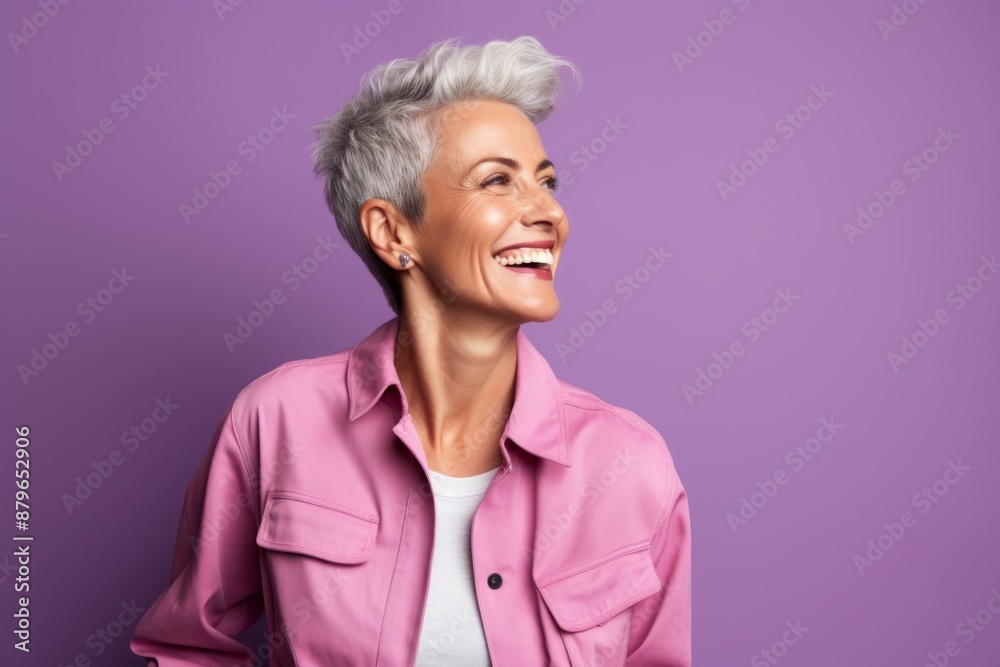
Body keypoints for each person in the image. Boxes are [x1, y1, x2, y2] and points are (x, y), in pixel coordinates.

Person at [130, 35, 691, 666]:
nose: (548, 212)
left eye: (547, 180)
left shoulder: (630, 464)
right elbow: (183, 647)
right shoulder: (274, 420)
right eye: (498, 181)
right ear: (394, 232)